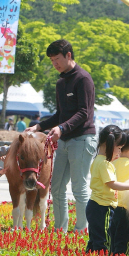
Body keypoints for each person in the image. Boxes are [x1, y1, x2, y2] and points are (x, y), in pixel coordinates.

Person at [26, 39, 97, 233]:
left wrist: (62, 129)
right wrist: (38, 126)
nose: (54, 64)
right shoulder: (61, 82)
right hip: (65, 140)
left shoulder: (83, 78)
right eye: (51, 60)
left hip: (82, 139)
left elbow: (84, 112)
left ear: (68, 55)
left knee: (79, 187)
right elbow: (60, 115)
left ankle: (82, 230)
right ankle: (59, 230)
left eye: (57, 59)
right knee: (55, 187)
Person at [86, 125, 129, 253]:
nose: (119, 152)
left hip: (94, 205)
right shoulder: (105, 164)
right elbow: (112, 184)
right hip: (103, 206)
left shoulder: (98, 160)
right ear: (110, 145)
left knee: (96, 236)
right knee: (104, 238)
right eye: (118, 148)